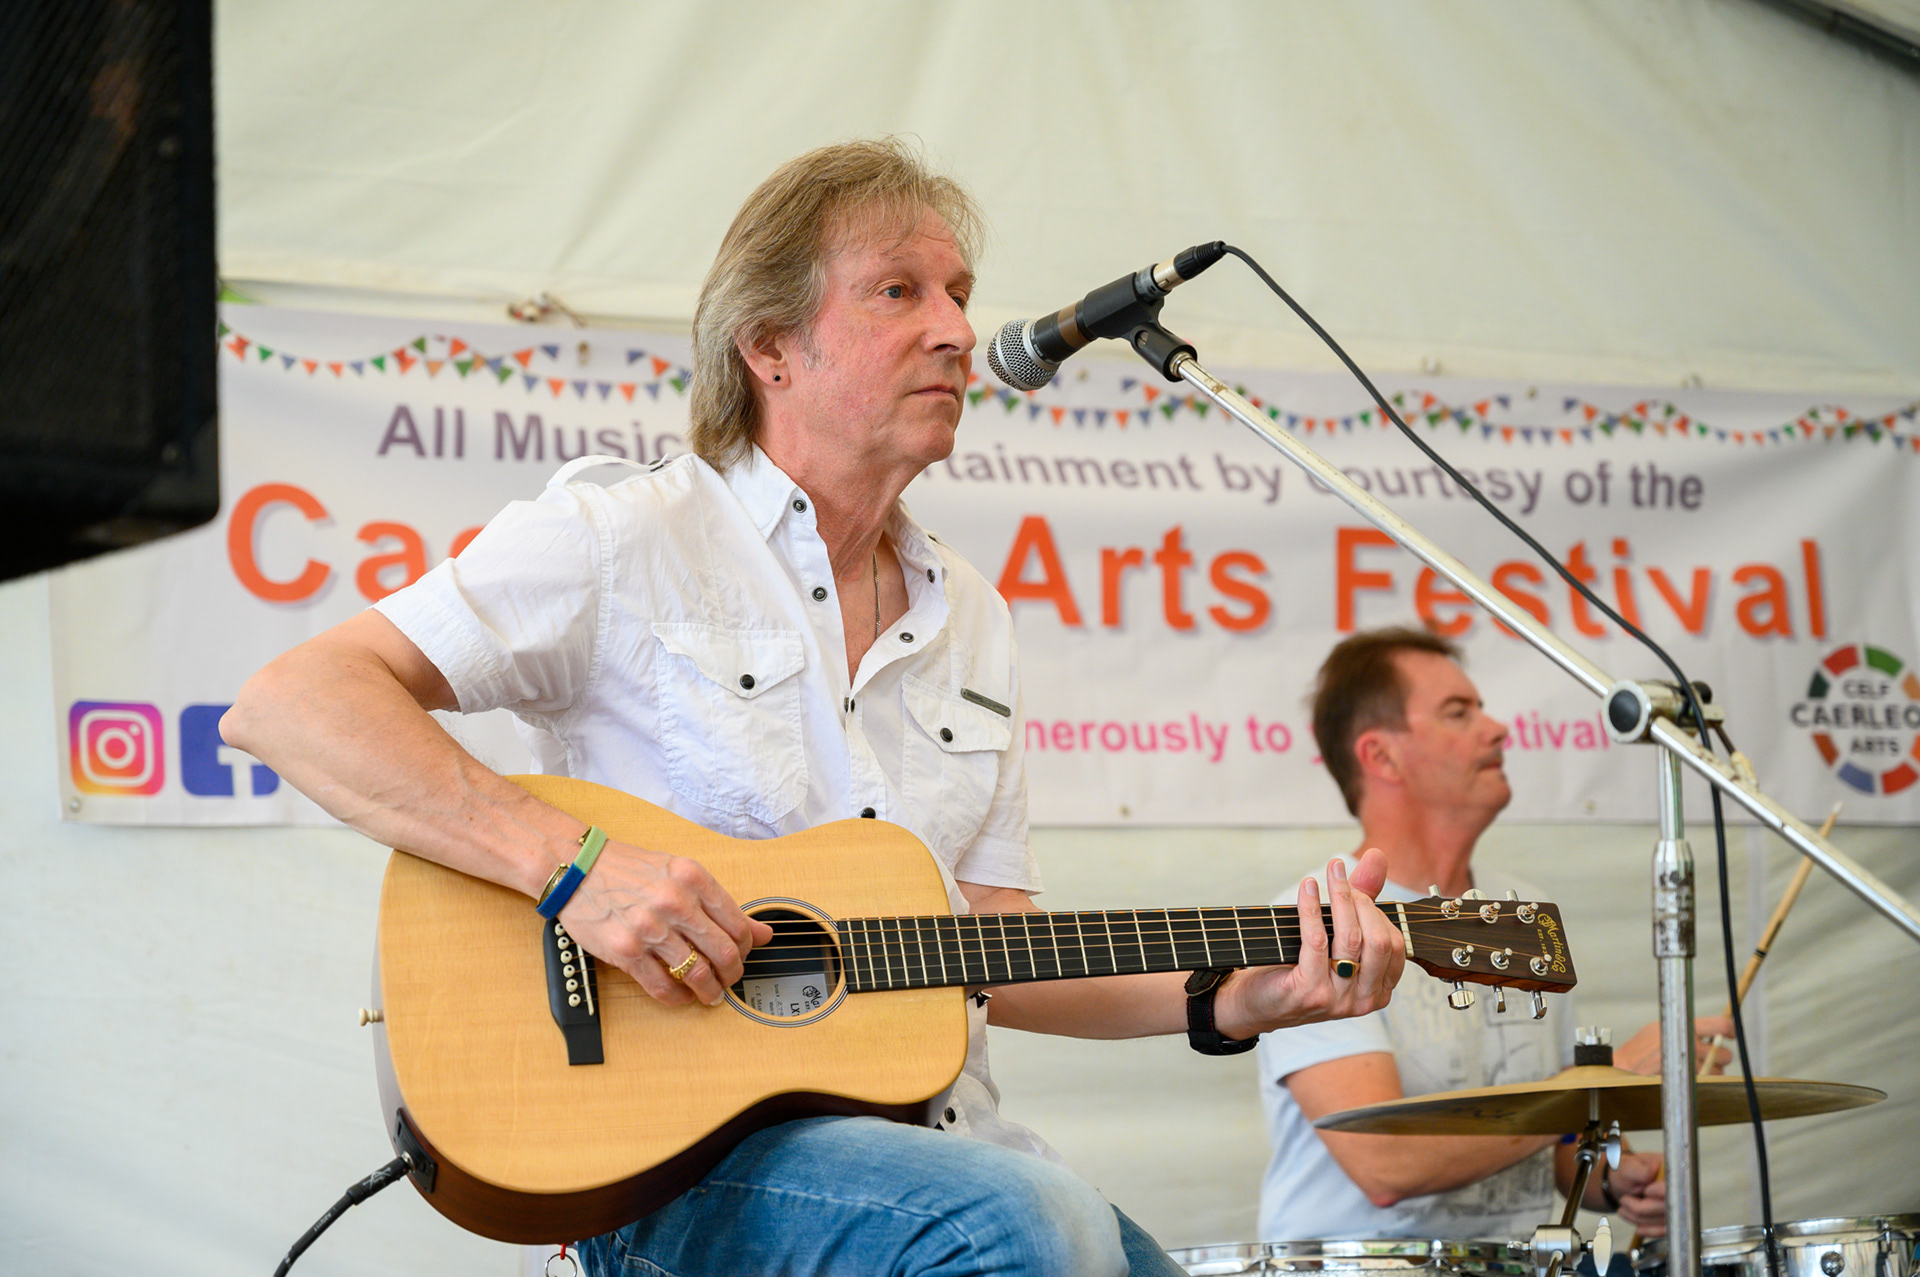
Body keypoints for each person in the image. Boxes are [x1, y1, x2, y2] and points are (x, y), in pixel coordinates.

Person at [223, 138, 1409, 1277]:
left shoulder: (973, 614)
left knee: (1072, 1237)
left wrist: (1234, 995)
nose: (955, 328)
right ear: (771, 349)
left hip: (943, 1158)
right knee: (1036, 1230)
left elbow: (988, 937)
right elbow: (294, 701)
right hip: (664, 1173)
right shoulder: (625, 535)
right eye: (900, 290)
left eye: (958, 290)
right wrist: (575, 867)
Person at [1256, 627, 1730, 1244]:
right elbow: (1385, 1166)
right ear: (1380, 756)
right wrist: (1599, 1083)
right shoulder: (1320, 923)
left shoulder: (1525, 915)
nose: (1497, 728)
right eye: (1459, 712)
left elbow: (1555, 1149)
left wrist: (1614, 1180)